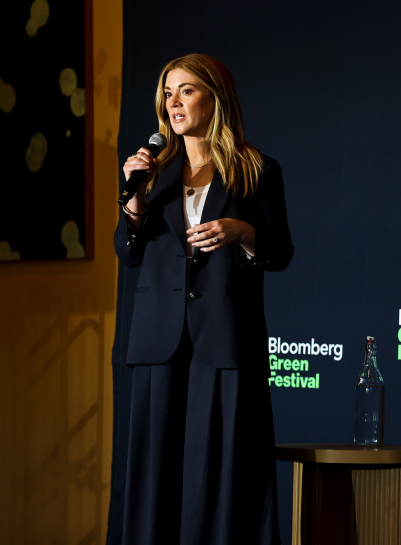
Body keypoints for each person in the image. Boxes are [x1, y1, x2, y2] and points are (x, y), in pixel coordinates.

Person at [114, 54, 292, 544]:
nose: (174, 102)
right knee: (158, 473)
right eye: (168, 92)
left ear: (215, 97)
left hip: (224, 338)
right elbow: (127, 253)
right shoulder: (152, 172)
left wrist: (243, 231)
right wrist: (133, 205)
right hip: (159, 342)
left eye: (186, 90)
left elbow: (280, 252)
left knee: (223, 469)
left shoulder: (256, 169)